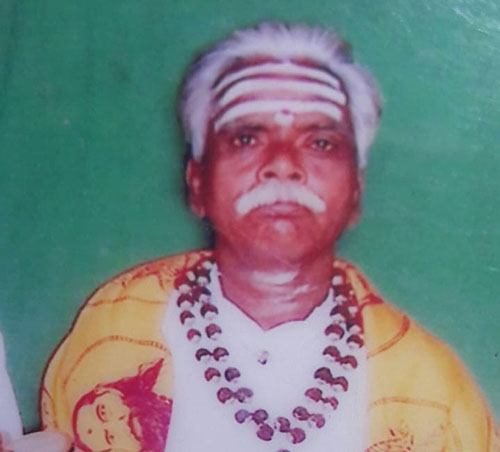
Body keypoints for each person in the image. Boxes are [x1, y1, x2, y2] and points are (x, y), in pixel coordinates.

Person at [37, 22, 498, 452]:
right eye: (246, 139)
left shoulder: (434, 395)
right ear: (197, 183)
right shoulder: (112, 329)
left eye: (320, 143)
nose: (282, 163)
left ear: (356, 192)